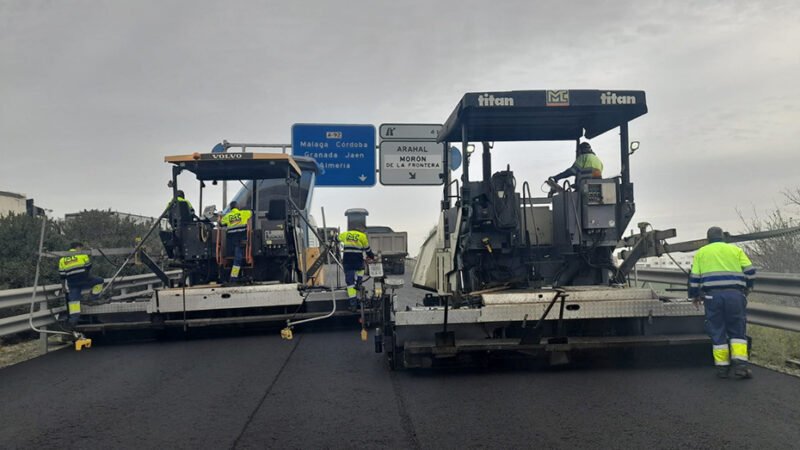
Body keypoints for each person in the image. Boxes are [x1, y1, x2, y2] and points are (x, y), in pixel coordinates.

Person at [689, 226, 757, 379]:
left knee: (717, 330)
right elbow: (750, 271)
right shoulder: (735, 250)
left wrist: (695, 295)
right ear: (723, 237)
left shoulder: (701, 253)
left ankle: (722, 368)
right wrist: (749, 287)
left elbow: (694, 278)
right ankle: (740, 367)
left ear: (708, 239)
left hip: (712, 297)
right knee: (737, 330)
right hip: (735, 295)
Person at [58, 242, 104, 327]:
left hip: (72, 284)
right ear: (78, 247)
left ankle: (73, 321)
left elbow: (62, 276)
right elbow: (88, 268)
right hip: (84, 280)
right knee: (100, 281)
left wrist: (63, 287)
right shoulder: (82, 255)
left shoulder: (62, 259)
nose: (82, 250)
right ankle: (92, 298)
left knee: (74, 303)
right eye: (81, 248)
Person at [338, 226, 375, 311]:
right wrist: (372, 257)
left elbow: (336, 239)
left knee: (350, 283)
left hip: (347, 262)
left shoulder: (345, 234)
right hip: (358, 261)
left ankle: (353, 305)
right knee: (361, 268)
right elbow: (367, 249)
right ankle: (358, 282)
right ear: (361, 230)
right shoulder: (362, 236)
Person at [221, 201, 252, 282]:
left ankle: (233, 277)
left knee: (236, 258)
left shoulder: (228, 216)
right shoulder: (243, 213)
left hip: (231, 242)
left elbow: (221, 223)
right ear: (238, 207)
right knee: (237, 260)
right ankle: (233, 278)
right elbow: (251, 213)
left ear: (231, 208)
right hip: (241, 240)